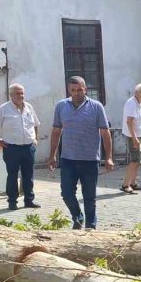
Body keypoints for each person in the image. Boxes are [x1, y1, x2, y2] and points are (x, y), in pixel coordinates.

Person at [48, 76, 114, 230]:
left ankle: (91, 226)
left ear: (85, 89)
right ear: (69, 90)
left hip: (90, 159)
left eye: (79, 89)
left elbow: (105, 133)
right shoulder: (61, 106)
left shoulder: (96, 107)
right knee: (66, 193)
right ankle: (78, 216)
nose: (76, 93)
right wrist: (52, 155)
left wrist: (109, 157)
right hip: (68, 159)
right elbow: (56, 131)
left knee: (89, 197)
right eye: (73, 90)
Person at [0, 83, 41, 210]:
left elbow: (35, 124)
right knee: (12, 175)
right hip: (11, 148)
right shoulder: (3, 109)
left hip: (28, 147)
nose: (21, 95)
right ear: (11, 95)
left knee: (28, 175)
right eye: (18, 93)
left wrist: (35, 139)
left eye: (22, 93)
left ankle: (29, 200)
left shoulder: (29, 107)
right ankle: (12, 202)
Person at [120, 83, 141, 194]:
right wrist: (134, 138)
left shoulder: (140, 103)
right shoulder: (131, 103)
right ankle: (125, 185)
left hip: (140, 135)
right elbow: (129, 121)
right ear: (136, 92)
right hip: (134, 136)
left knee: (138, 161)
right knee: (134, 160)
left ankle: (133, 183)